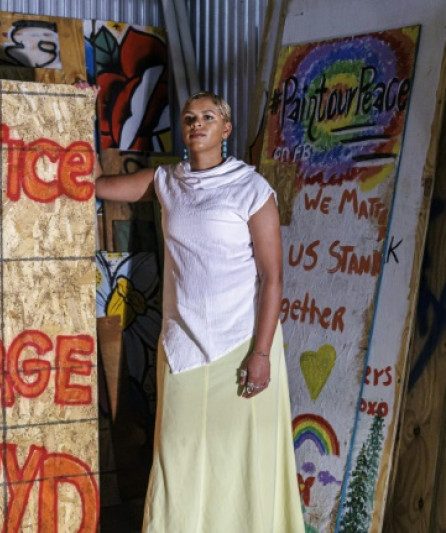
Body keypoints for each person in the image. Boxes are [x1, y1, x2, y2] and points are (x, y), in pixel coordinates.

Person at [96, 91, 305, 532]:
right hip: (182, 345)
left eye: (208, 117)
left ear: (226, 129)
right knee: (177, 456)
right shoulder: (168, 182)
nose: (196, 124)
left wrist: (261, 353)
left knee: (242, 461)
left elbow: (272, 278)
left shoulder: (251, 189)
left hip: (242, 343)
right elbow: (98, 186)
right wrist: (81, 114)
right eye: (190, 117)